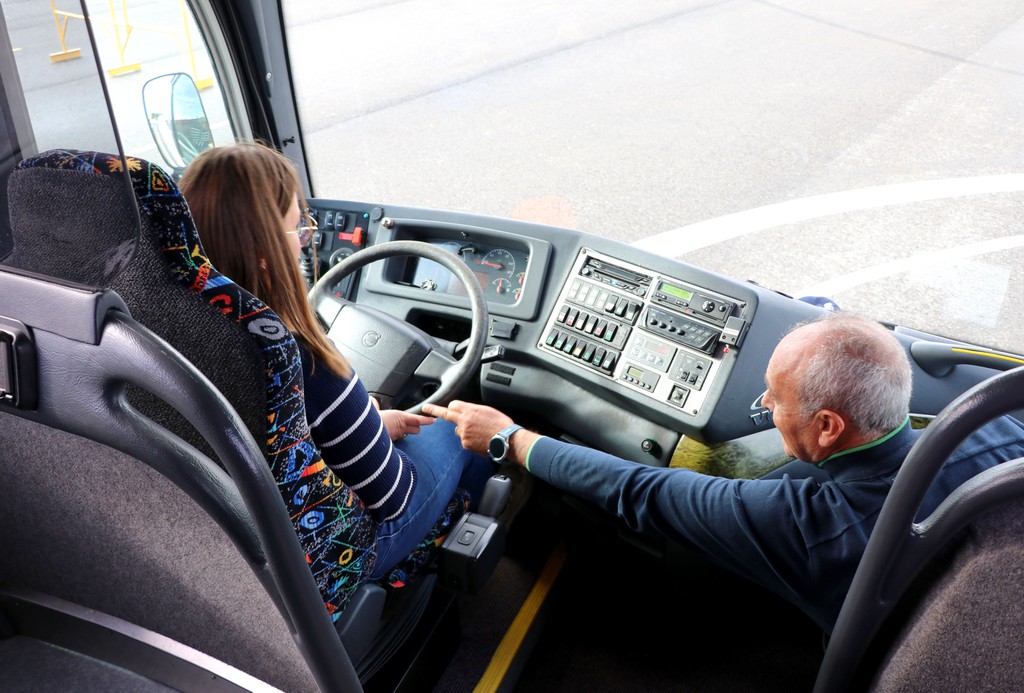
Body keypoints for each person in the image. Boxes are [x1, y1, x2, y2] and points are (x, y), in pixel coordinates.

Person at [423, 312, 1024, 634]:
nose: (764, 406)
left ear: (828, 427)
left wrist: (509, 438)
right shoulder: (996, 424)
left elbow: (640, 491)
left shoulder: (813, 526)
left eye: (775, 399)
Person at [178, 141, 496, 583]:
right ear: (265, 251)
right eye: (298, 228)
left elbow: (283, 444)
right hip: (328, 562)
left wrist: (367, 427)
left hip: (225, 548)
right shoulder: (300, 362)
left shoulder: (167, 332)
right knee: (460, 430)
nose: (304, 240)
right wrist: (368, 425)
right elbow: (393, 497)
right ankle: (463, 564)